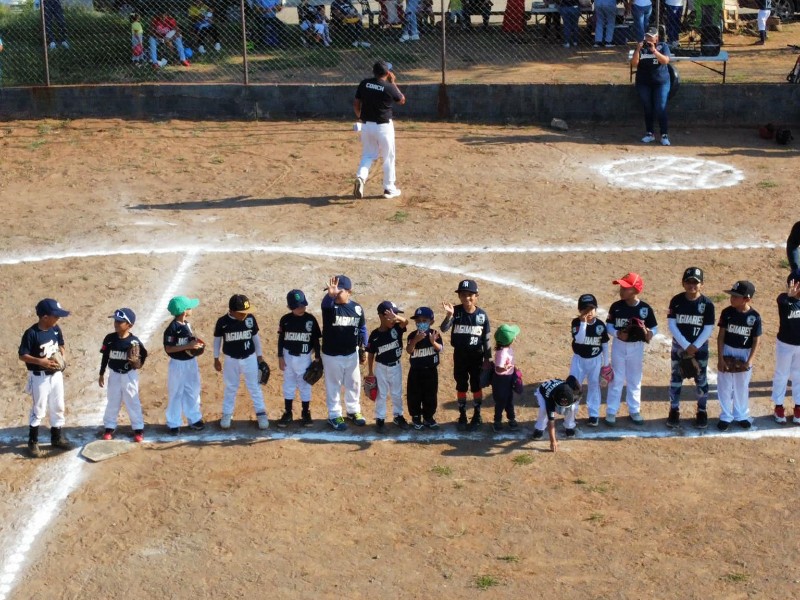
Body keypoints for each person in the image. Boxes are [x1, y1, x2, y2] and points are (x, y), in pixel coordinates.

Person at [19, 298, 73, 458]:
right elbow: (22, 355)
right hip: (39, 378)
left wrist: (63, 354)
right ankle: (33, 441)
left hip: (56, 376)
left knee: (58, 406)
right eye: (55, 316)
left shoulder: (56, 329)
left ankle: (56, 438)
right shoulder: (32, 334)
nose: (58, 319)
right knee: (39, 408)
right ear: (44, 317)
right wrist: (39, 361)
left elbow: (61, 344)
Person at [666, 267, 715, 429]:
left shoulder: (707, 304)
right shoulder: (676, 301)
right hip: (680, 347)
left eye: (696, 282)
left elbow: (708, 328)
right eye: (689, 281)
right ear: (683, 283)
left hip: (699, 349)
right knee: (676, 379)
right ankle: (674, 410)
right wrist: (686, 345)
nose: (692, 285)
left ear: (702, 284)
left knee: (701, 380)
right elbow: (672, 324)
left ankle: (702, 411)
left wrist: (695, 346)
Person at [605, 272, 658, 425]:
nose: (621, 290)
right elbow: (609, 326)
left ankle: (634, 410)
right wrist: (617, 334)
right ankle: (611, 411)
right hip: (619, 346)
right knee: (616, 378)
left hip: (637, 347)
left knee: (635, 379)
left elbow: (654, 327)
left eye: (625, 288)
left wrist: (650, 334)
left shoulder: (645, 309)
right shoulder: (616, 306)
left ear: (635, 290)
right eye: (621, 287)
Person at [440, 279, 492, 431]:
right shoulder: (455, 312)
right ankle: (462, 414)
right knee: (461, 384)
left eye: (470, 295)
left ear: (477, 296)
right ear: (459, 296)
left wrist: (488, 358)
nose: (467, 298)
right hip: (460, 355)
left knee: (476, 385)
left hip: (477, 356)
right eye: (463, 295)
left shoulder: (482, 315)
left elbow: (486, 338)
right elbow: (443, 329)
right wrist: (449, 315)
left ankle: (477, 414)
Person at [213, 294, 269, 430]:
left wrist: (260, 357)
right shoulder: (222, 322)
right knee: (231, 387)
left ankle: (261, 413)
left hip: (249, 358)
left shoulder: (250, 318)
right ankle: (227, 413)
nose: (245, 315)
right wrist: (216, 358)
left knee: (254, 386)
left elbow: (255, 338)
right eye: (241, 313)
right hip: (230, 360)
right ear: (231, 311)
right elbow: (217, 340)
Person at [321, 275, 368, 430]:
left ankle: (353, 411)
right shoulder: (330, 307)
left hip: (351, 353)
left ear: (349, 291)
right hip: (332, 355)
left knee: (353, 383)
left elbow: (362, 328)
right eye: (334, 291)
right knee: (333, 385)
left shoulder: (357, 308)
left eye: (339, 291)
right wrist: (330, 295)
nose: (336, 294)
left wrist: (364, 347)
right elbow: (325, 303)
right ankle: (334, 415)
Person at [353, 60, 405, 200]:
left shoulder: (364, 83)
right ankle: (389, 188)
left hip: (366, 125)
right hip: (384, 126)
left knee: (368, 155)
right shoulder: (389, 87)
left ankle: (361, 177)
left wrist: (360, 117)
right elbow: (401, 100)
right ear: (388, 73)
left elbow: (357, 103)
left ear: (373, 72)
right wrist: (393, 82)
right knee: (388, 156)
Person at [716, 281, 761, 430]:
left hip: (744, 352)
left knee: (742, 385)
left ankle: (741, 414)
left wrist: (750, 360)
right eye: (732, 295)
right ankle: (726, 416)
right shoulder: (727, 312)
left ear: (747, 299)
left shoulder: (754, 317)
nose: (732, 298)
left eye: (736, 296)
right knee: (725, 385)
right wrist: (720, 358)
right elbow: (721, 336)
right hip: (728, 349)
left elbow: (756, 340)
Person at [99, 308, 147, 442]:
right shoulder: (109, 339)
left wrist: (138, 363)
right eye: (115, 321)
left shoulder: (134, 342)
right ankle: (109, 426)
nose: (116, 324)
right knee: (112, 400)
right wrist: (101, 373)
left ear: (129, 325)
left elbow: (143, 355)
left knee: (132, 400)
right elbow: (105, 357)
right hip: (114, 375)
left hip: (129, 376)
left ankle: (138, 428)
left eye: (120, 322)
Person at [277, 289, 321, 427]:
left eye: (303, 305)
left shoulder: (310, 319)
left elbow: (315, 340)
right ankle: (288, 412)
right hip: (288, 356)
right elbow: (281, 339)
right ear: (290, 307)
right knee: (288, 385)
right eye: (298, 306)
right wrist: (280, 356)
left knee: (305, 385)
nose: (302, 308)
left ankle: (305, 412)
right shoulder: (285, 320)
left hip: (304, 358)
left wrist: (318, 358)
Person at [163, 296, 205, 434]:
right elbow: (169, 348)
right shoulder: (172, 328)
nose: (191, 309)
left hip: (190, 363)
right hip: (177, 365)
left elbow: (190, 342)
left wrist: (196, 345)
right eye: (189, 307)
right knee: (176, 392)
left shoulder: (187, 324)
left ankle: (194, 418)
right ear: (183, 311)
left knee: (193, 390)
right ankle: (173, 422)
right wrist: (188, 345)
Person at [366, 300, 410, 431]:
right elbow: (371, 354)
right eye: (390, 316)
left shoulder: (397, 328)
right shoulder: (374, 335)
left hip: (396, 366)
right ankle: (380, 419)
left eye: (394, 315)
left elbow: (406, 322)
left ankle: (398, 416)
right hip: (381, 367)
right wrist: (370, 371)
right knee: (381, 394)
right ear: (381, 316)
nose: (393, 319)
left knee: (397, 393)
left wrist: (397, 318)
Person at [569, 294, 610, 427]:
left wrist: (606, 364)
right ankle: (571, 414)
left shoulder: (600, 325)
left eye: (591, 309)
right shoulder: (576, 323)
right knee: (575, 386)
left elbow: (604, 344)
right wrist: (583, 323)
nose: (589, 313)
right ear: (580, 311)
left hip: (595, 360)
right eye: (585, 310)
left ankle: (593, 414)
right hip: (579, 360)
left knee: (594, 386)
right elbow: (579, 339)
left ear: (596, 310)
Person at [630, 27, 672, 146]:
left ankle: (664, 134)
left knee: (660, 107)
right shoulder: (641, 48)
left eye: (651, 36)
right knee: (648, 107)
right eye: (647, 36)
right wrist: (638, 50)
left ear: (656, 38)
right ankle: (650, 133)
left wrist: (654, 51)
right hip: (644, 82)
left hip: (661, 82)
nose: (648, 38)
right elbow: (634, 64)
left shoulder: (663, 46)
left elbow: (665, 61)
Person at [406, 306, 443, 429]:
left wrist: (433, 342)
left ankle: (428, 417)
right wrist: (415, 341)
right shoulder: (412, 335)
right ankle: (416, 417)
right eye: (418, 321)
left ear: (431, 322)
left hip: (431, 371)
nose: (421, 323)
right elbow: (409, 350)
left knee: (430, 395)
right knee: (414, 395)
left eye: (424, 321)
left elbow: (440, 349)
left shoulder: (435, 334)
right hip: (416, 372)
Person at [771, 273, 800, 425]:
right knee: (781, 375)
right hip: (785, 345)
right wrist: (790, 297)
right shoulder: (783, 299)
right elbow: (783, 304)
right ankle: (778, 406)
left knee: (799, 376)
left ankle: (798, 407)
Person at [532, 376, 582, 452]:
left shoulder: (576, 392)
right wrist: (553, 441)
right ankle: (540, 428)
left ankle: (569, 426)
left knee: (573, 408)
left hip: (559, 387)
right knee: (543, 409)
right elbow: (551, 422)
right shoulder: (550, 399)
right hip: (543, 391)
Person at [491, 324, 520, 432]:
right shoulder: (502, 353)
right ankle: (497, 421)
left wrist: (513, 368)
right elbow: (498, 370)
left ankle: (511, 418)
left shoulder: (507, 349)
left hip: (507, 379)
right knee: (501, 401)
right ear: (509, 340)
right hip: (501, 381)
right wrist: (506, 368)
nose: (515, 338)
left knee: (509, 399)